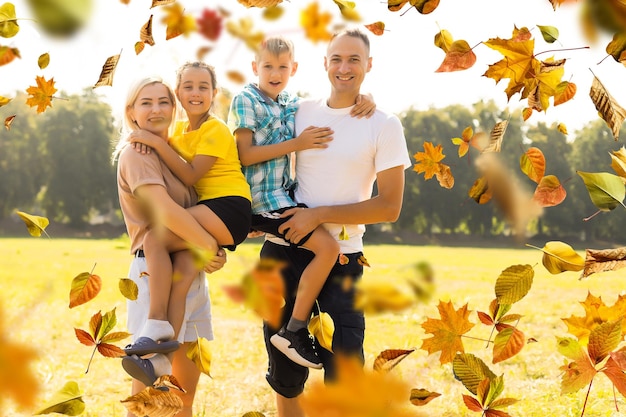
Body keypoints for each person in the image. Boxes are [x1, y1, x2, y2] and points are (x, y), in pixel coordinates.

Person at [259, 28, 412, 417]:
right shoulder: (299, 111)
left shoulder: (384, 124)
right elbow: (253, 126)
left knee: (343, 369)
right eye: (337, 59)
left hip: (343, 261)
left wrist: (321, 214)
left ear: (369, 66)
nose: (344, 68)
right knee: (285, 372)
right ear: (324, 63)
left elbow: (389, 206)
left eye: (354, 60)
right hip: (284, 253)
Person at [228, 35, 375, 369]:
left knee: (325, 247)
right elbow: (245, 155)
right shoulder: (246, 99)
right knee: (327, 249)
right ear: (255, 67)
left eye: (282, 67)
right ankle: (293, 331)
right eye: (267, 66)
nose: (275, 72)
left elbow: (329, 104)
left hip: (282, 198)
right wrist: (298, 144)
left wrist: (363, 97)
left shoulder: (289, 103)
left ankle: (296, 326)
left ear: (294, 69)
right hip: (261, 202)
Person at [122, 62, 252, 368]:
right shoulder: (169, 138)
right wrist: (208, 246)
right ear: (180, 93)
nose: (195, 94)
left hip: (227, 206)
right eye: (188, 87)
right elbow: (169, 205)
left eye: (203, 87)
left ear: (215, 93)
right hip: (180, 246)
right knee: (179, 279)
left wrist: (155, 140)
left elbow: (191, 176)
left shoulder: (213, 129)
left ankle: (156, 323)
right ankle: (163, 357)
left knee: (157, 239)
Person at [113, 76, 226, 417]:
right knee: (148, 401)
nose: (157, 109)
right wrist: (208, 243)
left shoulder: (176, 154)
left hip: (191, 272)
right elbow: (163, 211)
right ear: (131, 112)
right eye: (146, 103)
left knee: (182, 399)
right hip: (154, 276)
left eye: (163, 101)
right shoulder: (136, 154)